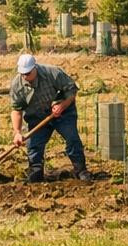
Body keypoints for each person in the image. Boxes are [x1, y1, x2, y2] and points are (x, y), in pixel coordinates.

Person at [8, 52, 92, 181]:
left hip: (63, 113)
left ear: (35, 68)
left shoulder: (53, 73)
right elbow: (16, 110)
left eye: (28, 73)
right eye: (22, 73)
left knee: (72, 139)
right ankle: (35, 172)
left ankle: (81, 170)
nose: (25, 76)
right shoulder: (17, 85)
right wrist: (17, 132)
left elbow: (71, 90)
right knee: (34, 145)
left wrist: (62, 105)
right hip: (37, 116)